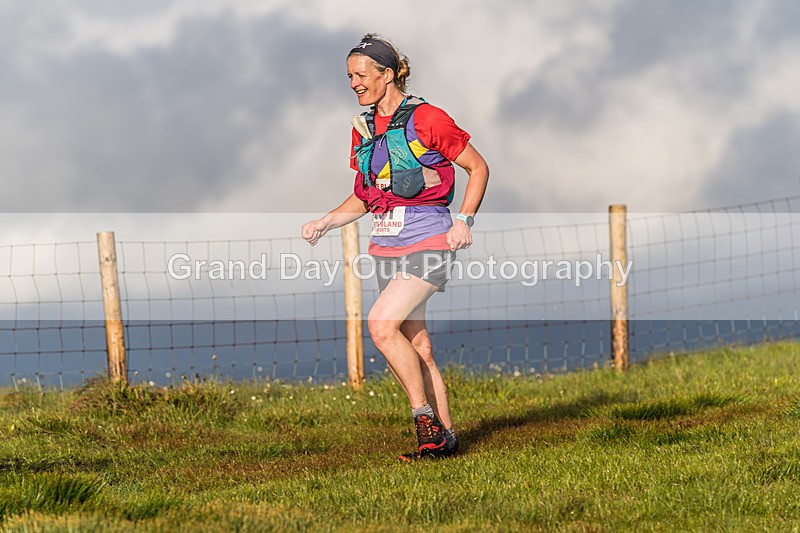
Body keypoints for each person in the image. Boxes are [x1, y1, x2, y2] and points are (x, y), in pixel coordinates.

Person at [302, 33, 489, 461]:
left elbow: (478, 168)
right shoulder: (362, 127)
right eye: (349, 76)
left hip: (430, 237)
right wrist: (327, 221)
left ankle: (423, 418)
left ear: (387, 74)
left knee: (380, 325)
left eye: (361, 74)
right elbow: (366, 196)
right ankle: (446, 440)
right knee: (417, 346)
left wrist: (464, 220)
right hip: (386, 244)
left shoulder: (429, 118)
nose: (353, 83)